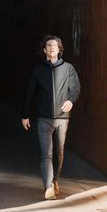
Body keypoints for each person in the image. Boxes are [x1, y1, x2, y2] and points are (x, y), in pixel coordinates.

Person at [22, 35, 81, 200]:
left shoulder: (68, 68)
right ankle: (48, 186)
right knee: (46, 153)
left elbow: (75, 87)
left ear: (59, 49)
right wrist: (25, 115)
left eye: (55, 45)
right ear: (44, 50)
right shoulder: (38, 69)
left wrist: (71, 100)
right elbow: (30, 92)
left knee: (59, 152)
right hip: (44, 118)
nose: (52, 47)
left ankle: (55, 179)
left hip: (62, 118)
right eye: (48, 45)